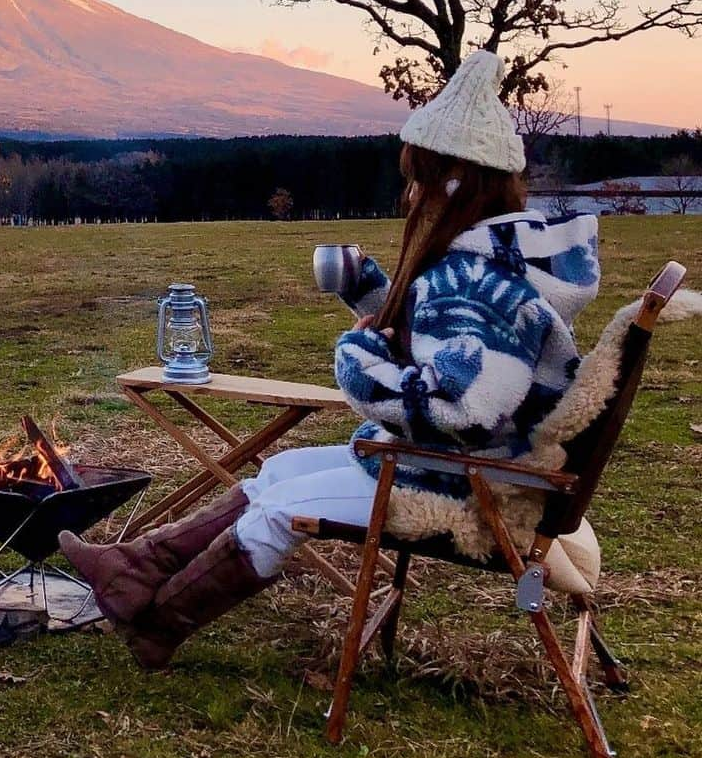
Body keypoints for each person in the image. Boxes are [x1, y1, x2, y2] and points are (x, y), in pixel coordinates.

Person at [60, 50, 600, 669]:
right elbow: (461, 344)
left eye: (418, 177)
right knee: (279, 469)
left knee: (278, 509)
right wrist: (371, 289)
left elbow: (462, 406)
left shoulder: (472, 281)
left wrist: (360, 356)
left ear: (454, 182)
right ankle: (135, 571)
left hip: (462, 482)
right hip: (482, 466)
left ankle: (158, 625)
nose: (410, 192)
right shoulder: (499, 260)